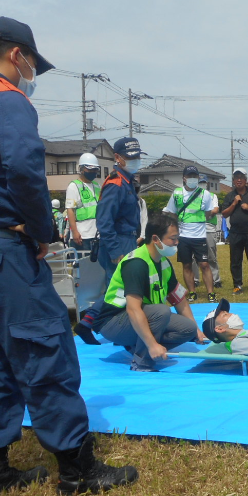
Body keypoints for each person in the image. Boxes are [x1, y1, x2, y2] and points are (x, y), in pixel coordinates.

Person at [0, 17, 136, 496]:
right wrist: (42, 231)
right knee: (46, 350)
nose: (31, 74)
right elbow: (25, 166)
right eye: (31, 64)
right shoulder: (6, 100)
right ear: (16, 55)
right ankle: (76, 467)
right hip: (2, 249)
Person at [91, 213, 203, 372]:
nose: (177, 243)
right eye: (173, 239)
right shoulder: (136, 263)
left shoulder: (163, 261)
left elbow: (178, 299)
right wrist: (152, 344)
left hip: (143, 316)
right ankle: (142, 362)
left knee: (188, 328)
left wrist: (196, 329)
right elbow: (133, 308)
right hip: (113, 322)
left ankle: (136, 344)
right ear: (156, 239)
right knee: (161, 311)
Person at [76, 137, 145, 345]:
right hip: (118, 243)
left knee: (117, 290)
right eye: (130, 157)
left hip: (128, 241)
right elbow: (104, 222)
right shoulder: (115, 184)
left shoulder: (127, 181)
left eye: (137, 157)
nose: (135, 161)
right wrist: (116, 252)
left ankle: (90, 323)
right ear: (117, 158)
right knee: (121, 290)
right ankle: (91, 324)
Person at [164, 165, 217, 302]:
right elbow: (171, 212)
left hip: (199, 236)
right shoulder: (176, 193)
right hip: (183, 237)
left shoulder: (205, 194)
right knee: (186, 265)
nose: (192, 179)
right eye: (190, 176)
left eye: (195, 176)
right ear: (184, 178)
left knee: (204, 264)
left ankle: (211, 293)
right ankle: (192, 292)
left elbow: (208, 213)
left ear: (198, 178)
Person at [221, 167, 248, 295]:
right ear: (233, 181)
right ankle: (237, 285)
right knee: (235, 260)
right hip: (235, 233)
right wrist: (234, 203)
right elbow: (224, 214)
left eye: (241, 178)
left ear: (245, 180)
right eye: (236, 178)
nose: (239, 180)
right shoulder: (230, 195)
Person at [65, 152, 101, 253]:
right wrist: (75, 232)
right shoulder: (74, 186)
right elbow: (70, 210)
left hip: (97, 233)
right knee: (84, 266)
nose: (93, 172)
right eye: (90, 169)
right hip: (82, 235)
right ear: (81, 169)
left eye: (95, 169)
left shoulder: (97, 185)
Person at [190, 174, 222, 288]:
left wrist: (200, 212)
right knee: (194, 256)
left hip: (209, 227)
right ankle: (195, 279)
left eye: (203, 182)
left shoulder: (212, 196)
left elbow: (215, 210)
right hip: (195, 228)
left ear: (207, 184)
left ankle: (216, 279)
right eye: (200, 182)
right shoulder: (192, 196)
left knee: (211, 255)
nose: (201, 184)